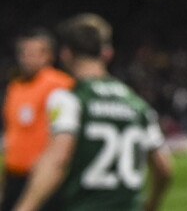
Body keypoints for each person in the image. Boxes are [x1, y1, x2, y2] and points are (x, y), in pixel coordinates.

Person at [11, 14, 173, 211]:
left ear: (66, 54)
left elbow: (57, 160)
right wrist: (152, 204)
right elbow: (164, 169)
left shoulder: (70, 99)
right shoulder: (138, 105)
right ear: (107, 53)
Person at [2, 29, 73, 211]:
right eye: (24, 53)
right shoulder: (15, 86)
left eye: (34, 53)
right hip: (14, 175)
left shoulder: (59, 84)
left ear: (49, 56)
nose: (27, 58)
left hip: (41, 177)